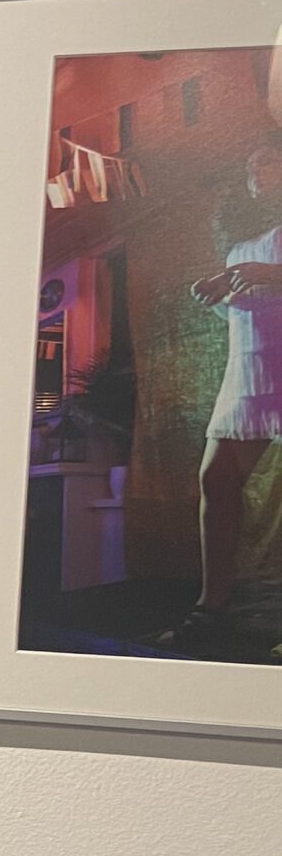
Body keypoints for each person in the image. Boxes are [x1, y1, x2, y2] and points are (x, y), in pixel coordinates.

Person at [166, 137, 282, 656]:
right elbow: (244, 309)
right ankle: (212, 608)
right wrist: (218, 295)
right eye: (253, 162)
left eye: (269, 158)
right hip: (251, 370)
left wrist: (272, 275)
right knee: (216, 477)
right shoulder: (240, 238)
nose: (258, 167)